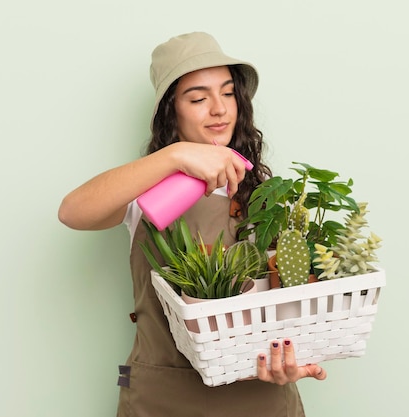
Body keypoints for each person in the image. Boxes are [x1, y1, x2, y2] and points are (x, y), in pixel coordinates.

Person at [58, 32, 327, 417]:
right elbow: (72, 212)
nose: (219, 109)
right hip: (164, 399)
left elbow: (285, 304)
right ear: (172, 111)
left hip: (262, 399)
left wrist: (289, 360)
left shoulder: (266, 196)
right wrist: (177, 155)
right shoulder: (146, 192)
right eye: (198, 98)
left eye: (228, 93)